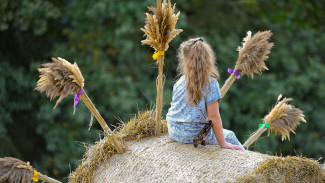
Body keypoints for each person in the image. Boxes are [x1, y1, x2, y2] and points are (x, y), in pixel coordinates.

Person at [166, 37, 244, 150]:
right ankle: (245, 158)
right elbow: (214, 117)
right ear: (208, 59)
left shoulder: (180, 81)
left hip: (173, 130)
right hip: (194, 135)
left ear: (184, 58)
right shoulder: (211, 84)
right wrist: (223, 143)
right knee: (230, 135)